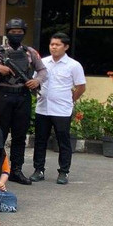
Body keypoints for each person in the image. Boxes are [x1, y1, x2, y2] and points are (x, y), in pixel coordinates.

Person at [0, 18, 47, 184]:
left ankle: (16, 170)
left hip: (23, 97)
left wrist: (36, 81)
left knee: (20, 136)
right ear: (7, 33)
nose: (16, 35)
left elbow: (43, 70)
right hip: (3, 96)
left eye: (19, 32)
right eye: (13, 32)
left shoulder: (30, 52)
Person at [30, 33, 86, 185]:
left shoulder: (73, 65)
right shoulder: (43, 62)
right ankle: (38, 170)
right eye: (52, 44)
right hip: (43, 108)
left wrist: (70, 99)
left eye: (57, 44)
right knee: (40, 140)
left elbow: (81, 86)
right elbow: (36, 81)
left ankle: (63, 172)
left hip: (62, 110)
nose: (53, 47)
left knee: (63, 141)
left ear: (66, 47)